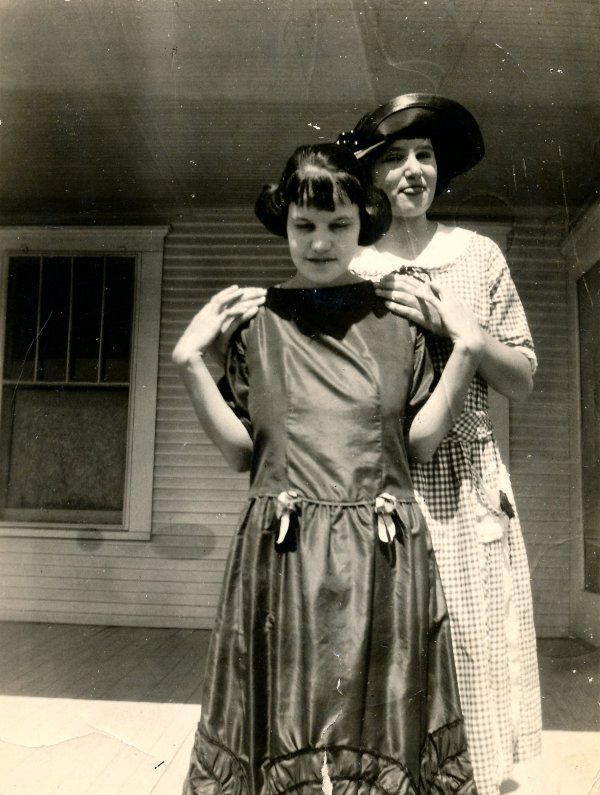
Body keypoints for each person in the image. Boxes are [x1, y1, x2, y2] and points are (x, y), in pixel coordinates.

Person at [173, 143, 484, 795]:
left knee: (379, 736)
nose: (319, 242)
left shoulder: (398, 318)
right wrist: (188, 361)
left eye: (338, 224)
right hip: (283, 559)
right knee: (284, 731)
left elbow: (419, 447)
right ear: (284, 224)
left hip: (382, 558)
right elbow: (242, 454)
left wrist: (467, 348)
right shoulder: (258, 323)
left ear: (363, 224)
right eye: (304, 225)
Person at [336, 94, 542, 795]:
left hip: (468, 482)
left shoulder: (477, 256)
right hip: (385, 485)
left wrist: (467, 332)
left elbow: (522, 378)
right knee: (387, 657)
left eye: (424, 155)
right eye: (394, 157)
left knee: (473, 653)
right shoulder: (351, 268)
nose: (413, 170)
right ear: (370, 178)